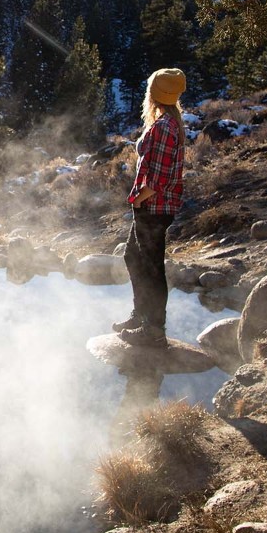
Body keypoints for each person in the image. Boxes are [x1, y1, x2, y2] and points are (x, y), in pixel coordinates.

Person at [114, 68, 187, 347]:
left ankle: (153, 329)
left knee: (151, 267)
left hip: (153, 206)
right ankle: (141, 315)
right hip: (154, 205)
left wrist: (140, 200)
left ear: (155, 95)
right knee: (134, 257)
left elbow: (159, 177)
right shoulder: (170, 123)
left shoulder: (163, 127)